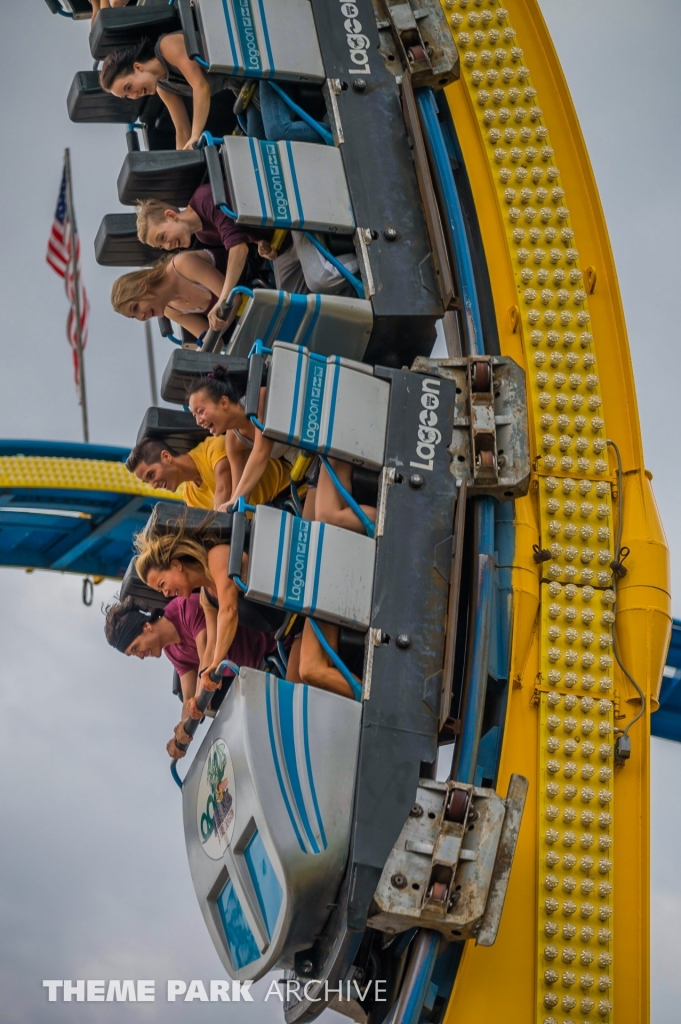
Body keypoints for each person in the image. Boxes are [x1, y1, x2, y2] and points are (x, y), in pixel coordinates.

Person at [103, 593, 279, 759]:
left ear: (147, 627)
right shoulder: (172, 651)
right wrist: (181, 734)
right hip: (260, 671)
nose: (140, 656)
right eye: (133, 654)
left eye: (135, 648)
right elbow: (188, 697)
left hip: (275, 643)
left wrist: (197, 698)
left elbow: (207, 656)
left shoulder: (184, 608)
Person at [136, 186, 359, 299]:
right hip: (281, 243)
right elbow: (247, 238)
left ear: (171, 215)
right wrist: (264, 247)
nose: (168, 247)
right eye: (161, 247)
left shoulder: (205, 199)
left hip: (290, 214)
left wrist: (224, 298)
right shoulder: (203, 236)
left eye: (162, 237)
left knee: (319, 280)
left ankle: (369, 263)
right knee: (289, 300)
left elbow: (238, 249)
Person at [186, 365, 295, 512]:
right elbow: (240, 492)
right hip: (310, 465)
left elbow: (261, 451)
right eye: (194, 416)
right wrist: (230, 507)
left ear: (224, 402)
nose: (198, 421)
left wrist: (235, 500)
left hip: (321, 443)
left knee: (324, 515)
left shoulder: (259, 400)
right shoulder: (233, 442)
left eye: (200, 412)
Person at [99, 36, 230, 151]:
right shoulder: (164, 87)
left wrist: (195, 136)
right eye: (127, 96)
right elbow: (183, 130)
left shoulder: (167, 46)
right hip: (240, 85)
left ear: (138, 68)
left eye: (129, 87)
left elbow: (201, 87)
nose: (134, 96)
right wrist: (183, 163)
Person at [110, 250, 229, 337]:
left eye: (135, 308)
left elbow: (233, 299)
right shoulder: (170, 311)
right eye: (134, 317)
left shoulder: (182, 265)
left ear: (142, 286)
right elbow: (213, 341)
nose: (141, 317)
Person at [126, 436, 231, 511]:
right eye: (148, 482)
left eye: (151, 475)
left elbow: (224, 490)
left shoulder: (213, 449)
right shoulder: (190, 496)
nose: (154, 486)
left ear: (166, 457)